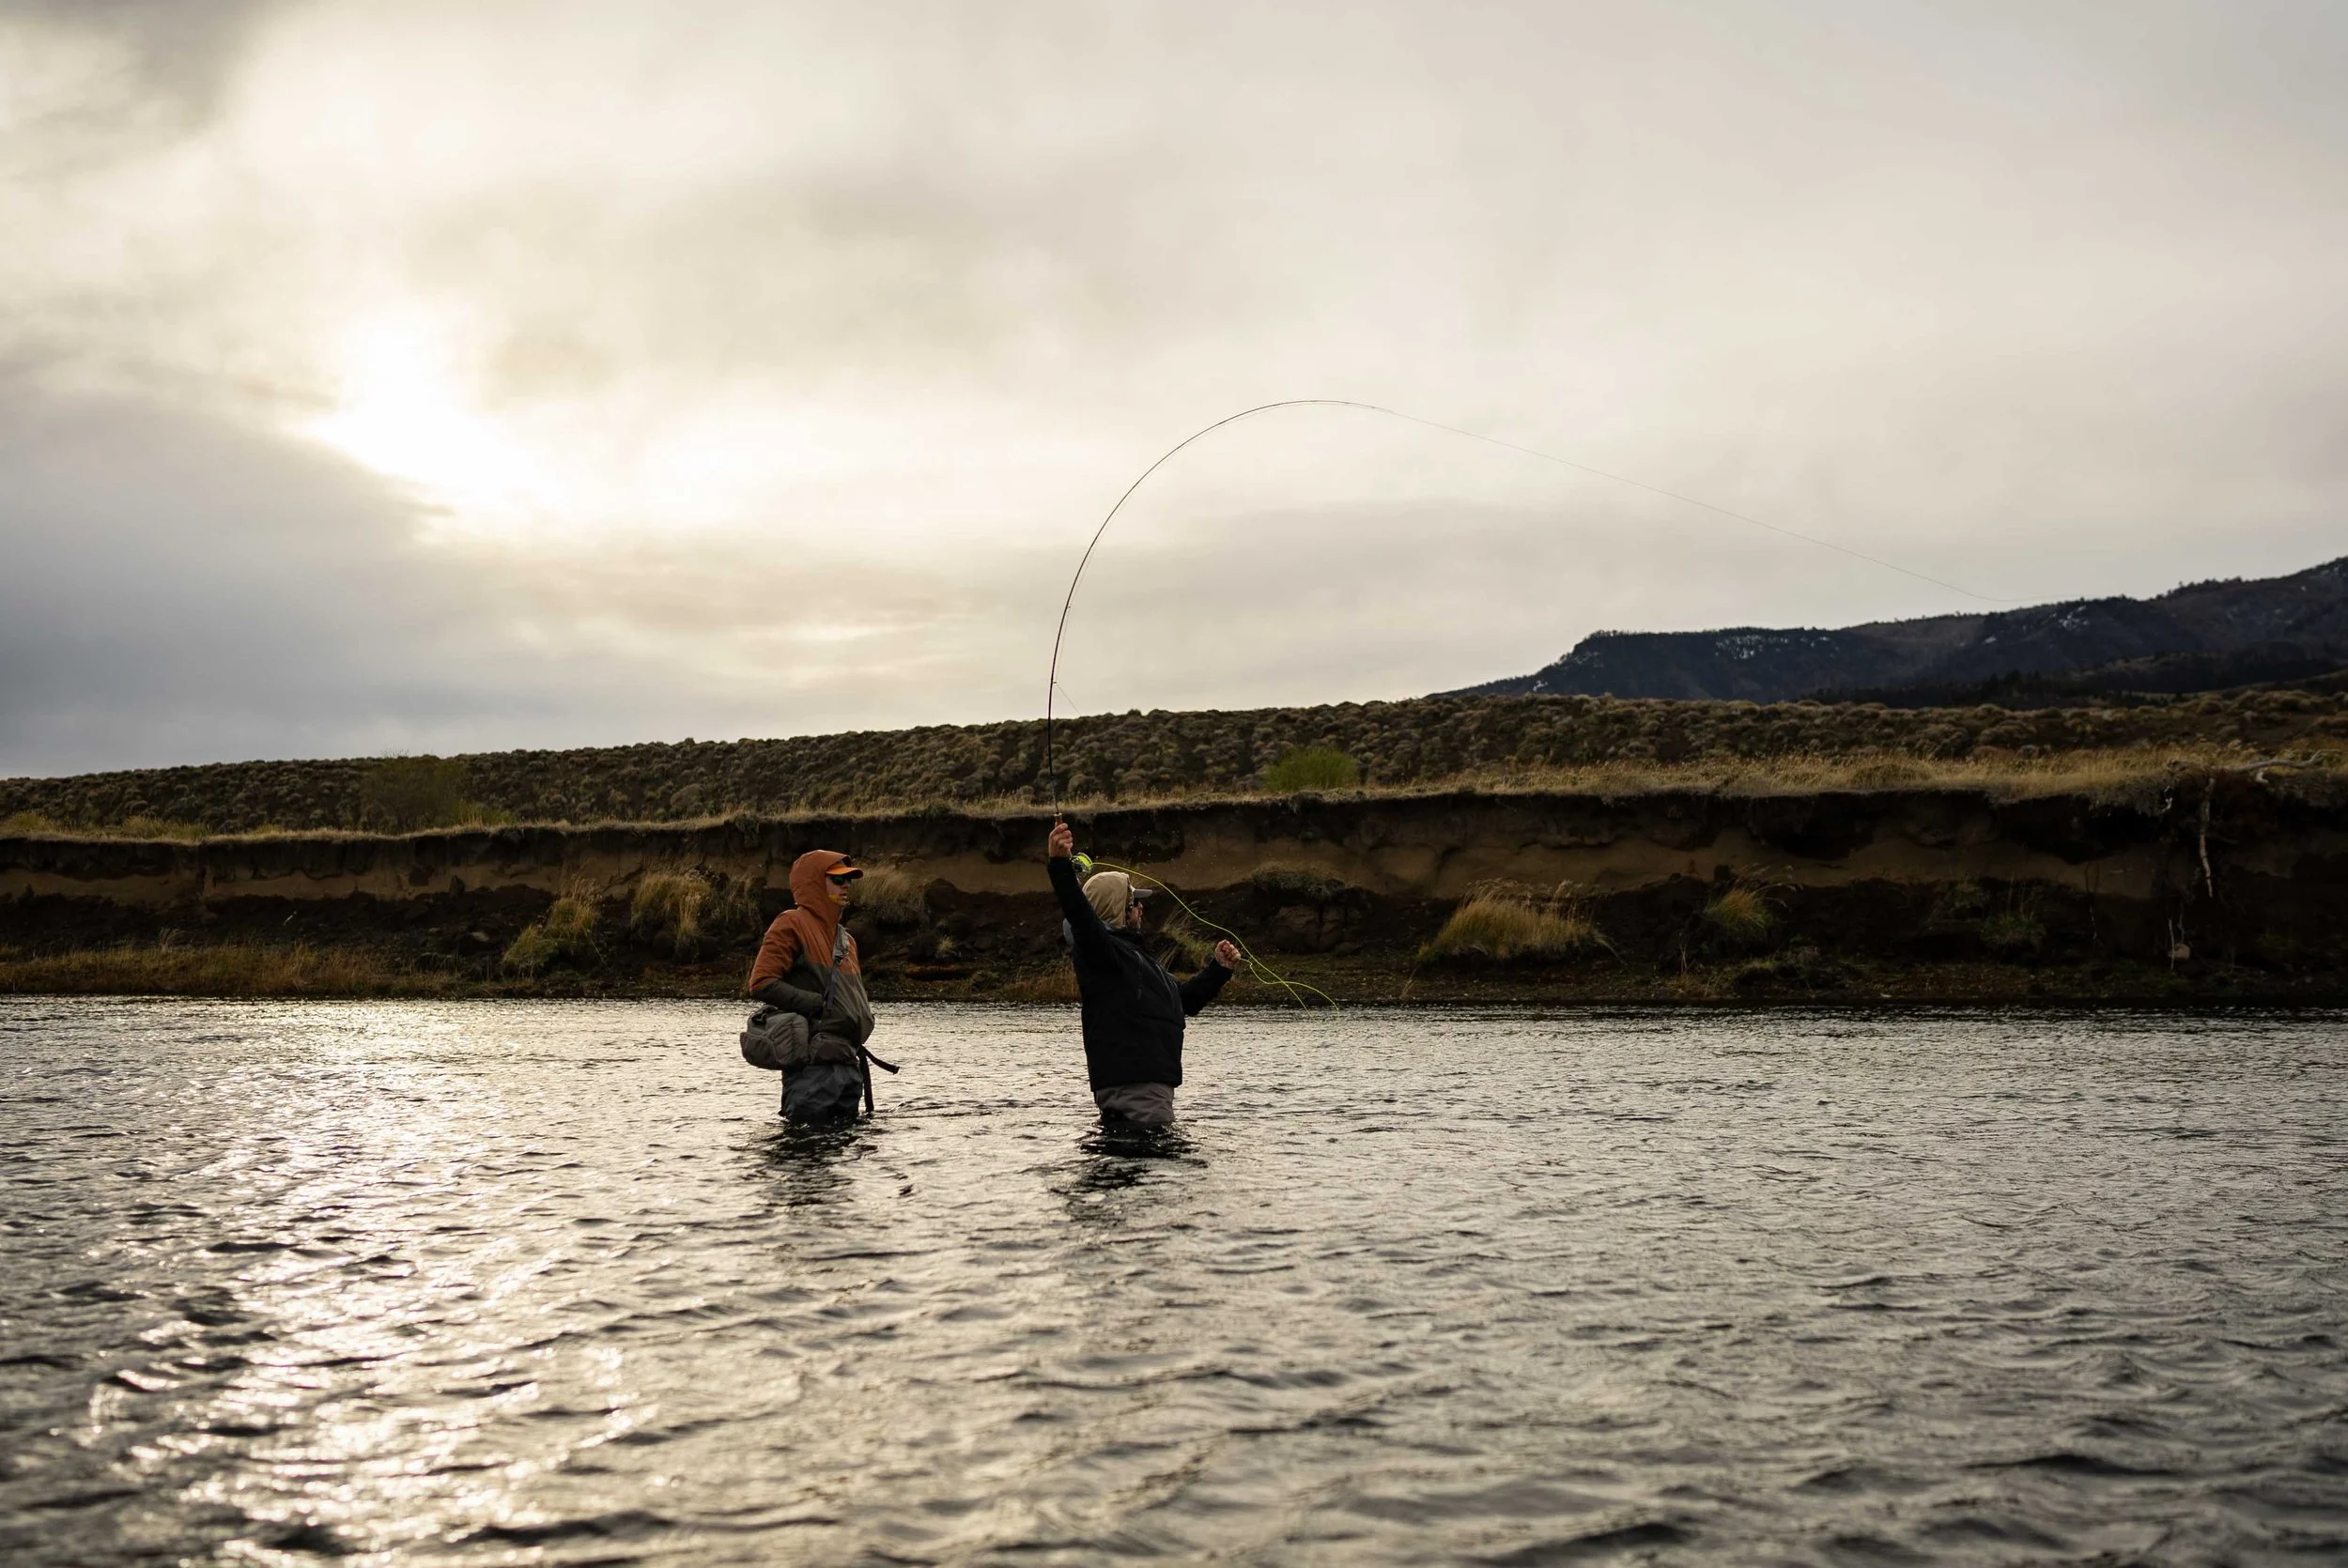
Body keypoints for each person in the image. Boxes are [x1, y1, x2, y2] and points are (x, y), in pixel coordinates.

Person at [1046, 817, 1241, 1126]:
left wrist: (1219, 969)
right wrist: (1059, 864)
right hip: (1136, 1091)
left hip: (1148, 1090)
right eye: (1134, 902)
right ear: (1117, 908)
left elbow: (1184, 1001)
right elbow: (1080, 915)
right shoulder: (1100, 952)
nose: (1141, 908)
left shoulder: (1136, 958)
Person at [746, 850, 887, 1124]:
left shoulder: (846, 939)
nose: (846, 885)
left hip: (849, 1066)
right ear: (814, 882)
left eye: (849, 881)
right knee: (806, 1154)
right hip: (813, 1070)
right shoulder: (791, 923)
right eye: (837, 880)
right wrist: (814, 1004)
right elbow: (761, 983)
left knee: (846, 1161)